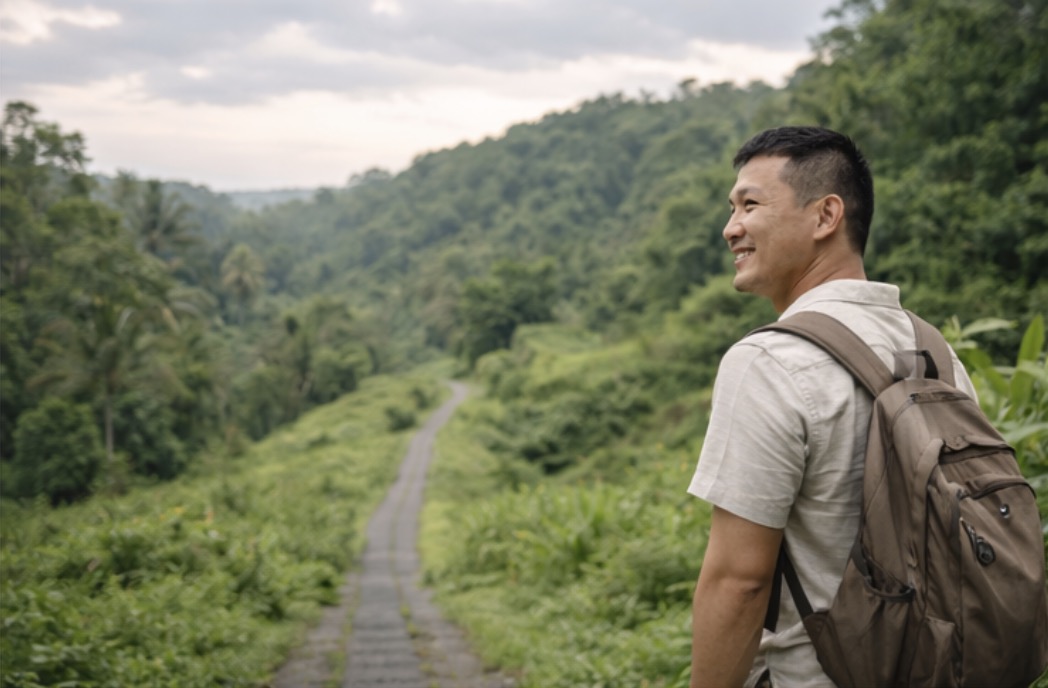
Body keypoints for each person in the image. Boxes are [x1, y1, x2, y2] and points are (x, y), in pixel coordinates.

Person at [686, 126, 976, 688]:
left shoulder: (768, 361)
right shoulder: (935, 352)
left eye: (750, 204)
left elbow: (740, 581)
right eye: (731, 208)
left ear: (826, 217)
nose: (730, 228)